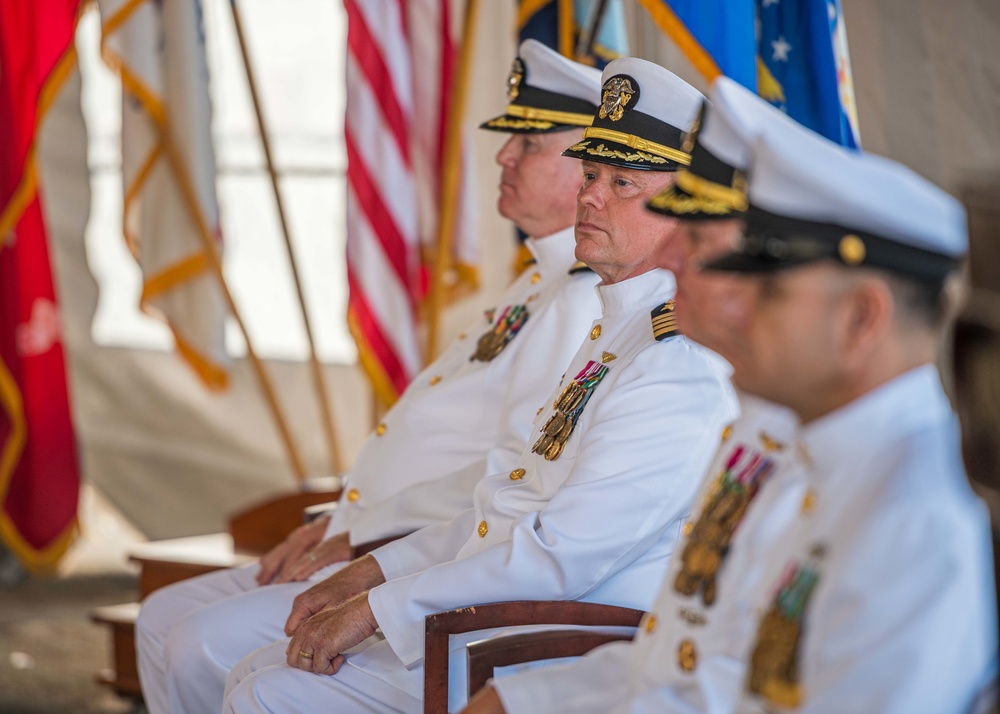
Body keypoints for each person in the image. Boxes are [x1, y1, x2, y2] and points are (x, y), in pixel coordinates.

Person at [222, 57, 738, 714]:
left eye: (624, 183)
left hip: (553, 640)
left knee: (270, 690)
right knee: (257, 674)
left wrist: (376, 610)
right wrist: (369, 578)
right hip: (493, 617)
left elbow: (558, 558)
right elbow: (505, 504)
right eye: (590, 173)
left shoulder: (676, 362)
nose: (590, 196)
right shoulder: (618, 332)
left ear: (686, 210)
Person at [468, 81, 998, 713]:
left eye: (763, 286)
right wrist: (518, 701)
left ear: (861, 319)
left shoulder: (915, 519)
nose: (733, 306)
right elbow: (673, 664)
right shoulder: (781, 438)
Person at [134, 39, 607, 714]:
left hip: (430, 563)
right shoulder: (537, 284)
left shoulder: (586, 300)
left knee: (203, 645)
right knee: (166, 616)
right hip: (375, 536)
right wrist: (341, 519)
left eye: (529, 143)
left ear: (591, 165)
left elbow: (509, 485)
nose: (503, 155)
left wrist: (361, 543)